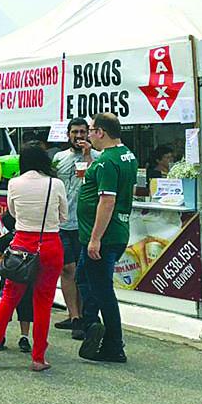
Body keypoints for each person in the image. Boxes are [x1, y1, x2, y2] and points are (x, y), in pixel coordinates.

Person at [0, 146, 67, 371]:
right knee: (43, 302)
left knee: (8, 297)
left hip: (21, 245)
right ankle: (38, 358)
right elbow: (63, 216)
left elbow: (13, 213)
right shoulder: (56, 184)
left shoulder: (14, 184)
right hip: (50, 245)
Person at [76, 113, 137, 363]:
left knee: (102, 291)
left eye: (90, 130)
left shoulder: (108, 162)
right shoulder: (127, 155)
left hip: (105, 235)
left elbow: (107, 200)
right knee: (84, 277)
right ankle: (91, 324)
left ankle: (113, 343)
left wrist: (95, 238)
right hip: (115, 232)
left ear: (101, 132)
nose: (88, 134)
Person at [52, 118, 92, 339]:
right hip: (61, 223)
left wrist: (87, 156)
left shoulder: (97, 158)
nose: (79, 136)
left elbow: (91, 183)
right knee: (67, 268)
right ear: (68, 134)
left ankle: (85, 314)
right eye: (75, 132)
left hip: (84, 224)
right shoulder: (59, 158)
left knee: (82, 272)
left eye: (83, 132)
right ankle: (74, 316)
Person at [0, 211, 34, 353]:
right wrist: (5, 265)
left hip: (25, 279)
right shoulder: (7, 239)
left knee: (24, 308)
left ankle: (23, 338)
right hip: (12, 279)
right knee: (7, 309)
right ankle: (3, 336)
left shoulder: (24, 238)